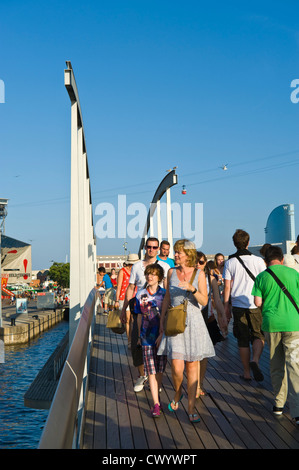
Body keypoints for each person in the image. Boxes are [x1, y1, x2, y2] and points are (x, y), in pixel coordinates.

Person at [157, 239, 215, 423]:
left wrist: (193, 289)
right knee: (176, 366)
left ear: (188, 255)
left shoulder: (199, 273)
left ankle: (190, 408)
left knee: (192, 366)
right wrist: (161, 320)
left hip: (194, 322)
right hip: (175, 322)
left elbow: (205, 301)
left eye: (178, 252)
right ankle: (177, 392)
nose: (175, 255)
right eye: (175, 252)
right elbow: (167, 297)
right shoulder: (171, 272)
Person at [252, 245, 299, 424]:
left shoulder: (262, 276)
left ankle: (279, 404)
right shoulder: (294, 274)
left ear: (266, 260)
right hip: (293, 324)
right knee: (294, 366)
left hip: (271, 325)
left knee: (276, 364)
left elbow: (257, 302)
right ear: (281, 258)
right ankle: (297, 411)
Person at [121, 238, 170, 392]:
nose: (151, 249)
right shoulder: (136, 266)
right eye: (148, 247)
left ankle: (154, 379)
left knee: (158, 346)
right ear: (145, 248)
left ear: (158, 249)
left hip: (157, 313)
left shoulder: (165, 266)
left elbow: (168, 290)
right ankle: (143, 375)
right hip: (139, 311)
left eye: (154, 247)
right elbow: (130, 288)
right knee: (137, 343)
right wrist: (124, 308)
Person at [223, 229, 265, 382]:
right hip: (255, 303)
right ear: (248, 242)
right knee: (258, 334)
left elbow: (227, 287)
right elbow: (264, 283)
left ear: (235, 243)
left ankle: (246, 373)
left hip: (238, 305)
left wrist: (226, 307)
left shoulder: (230, 263)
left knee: (242, 339)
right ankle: (255, 360)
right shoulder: (259, 261)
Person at [135, 263, 167, 418]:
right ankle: (155, 403)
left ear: (159, 277)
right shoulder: (140, 294)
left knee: (160, 369)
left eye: (154, 274)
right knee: (151, 371)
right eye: (148, 273)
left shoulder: (165, 294)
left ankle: (157, 397)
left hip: (162, 336)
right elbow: (139, 315)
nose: (150, 276)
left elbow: (168, 316)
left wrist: (163, 333)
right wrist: (139, 336)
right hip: (147, 337)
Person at [196, 252, 227, 398]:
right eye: (195, 261)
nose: (198, 264)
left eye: (201, 262)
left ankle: (199, 384)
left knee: (203, 355)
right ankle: (194, 383)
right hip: (191, 321)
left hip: (207, 320)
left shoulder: (211, 279)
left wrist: (223, 316)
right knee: (193, 355)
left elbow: (217, 300)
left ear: (205, 264)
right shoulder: (187, 279)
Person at [114, 254, 139, 348]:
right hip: (124, 297)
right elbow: (119, 286)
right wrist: (116, 300)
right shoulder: (122, 271)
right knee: (128, 319)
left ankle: (134, 339)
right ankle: (129, 341)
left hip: (136, 296)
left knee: (134, 319)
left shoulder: (138, 270)